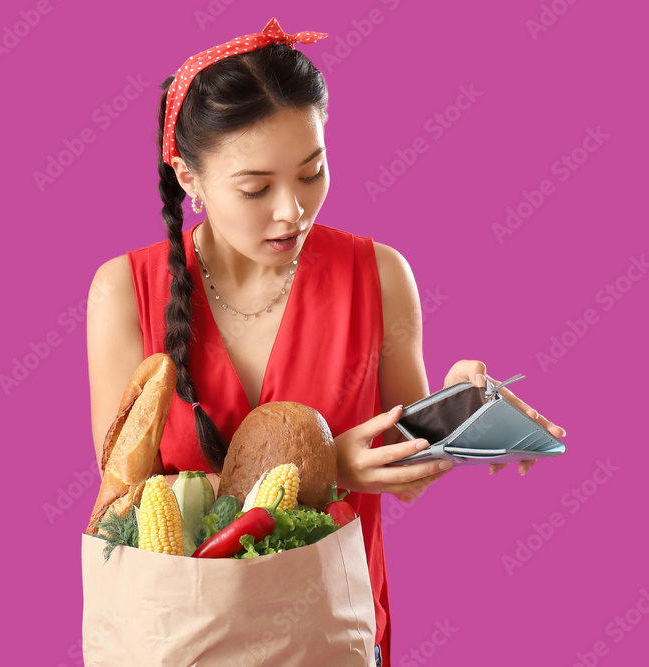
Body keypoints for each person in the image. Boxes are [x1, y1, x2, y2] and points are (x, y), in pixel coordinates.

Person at [85, 18, 567, 667]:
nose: (292, 210)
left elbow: (404, 472)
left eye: (312, 171)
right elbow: (125, 511)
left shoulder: (380, 275)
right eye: (256, 187)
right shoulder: (123, 292)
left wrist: (461, 414)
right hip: (183, 641)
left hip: (330, 636)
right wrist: (327, 466)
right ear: (188, 178)